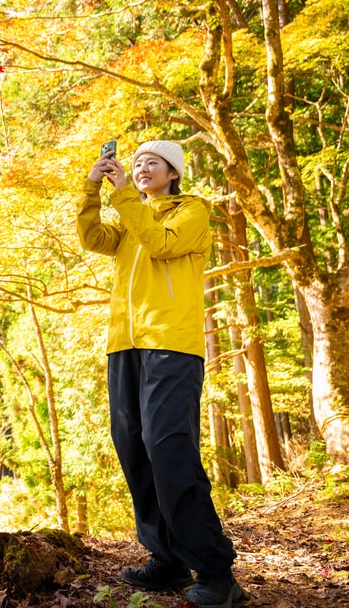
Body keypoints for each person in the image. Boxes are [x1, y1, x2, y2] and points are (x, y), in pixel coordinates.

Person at [76, 139, 244, 608]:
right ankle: (166, 559)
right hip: (124, 346)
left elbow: (161, 243)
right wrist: (93, 189)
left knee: (168, 450)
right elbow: (92, 237)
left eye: (152, 162)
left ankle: (216, 572)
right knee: (134, 449)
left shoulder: (191, 211)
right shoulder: (132, 220)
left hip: (171, 344)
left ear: (173, 173)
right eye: (135, 163)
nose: (141, 167)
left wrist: (125, 193)